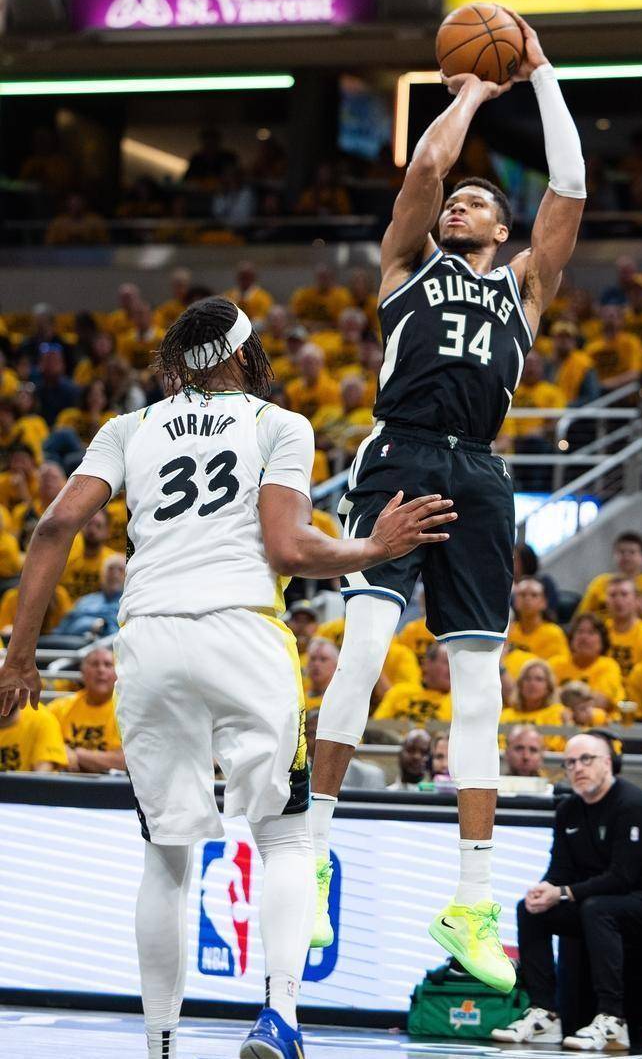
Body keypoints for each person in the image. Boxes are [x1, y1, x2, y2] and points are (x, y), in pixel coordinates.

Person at [0, 296, 454, 1059]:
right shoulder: (277, 424)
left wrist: (19, 655)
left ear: (178, 362)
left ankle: (161, 1045)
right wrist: (372, 548)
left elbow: (51, 528)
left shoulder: (126, 427)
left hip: (147, 638)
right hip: (243, 630)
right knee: (282, 836)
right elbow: (286, 547)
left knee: (164, 855)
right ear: (245, 356)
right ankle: (278, 1017)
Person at [308, 9, 587, 995]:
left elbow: (572, 187)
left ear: (504, 229)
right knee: (366, 653)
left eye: (480, 202)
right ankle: (310, 853)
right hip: (398, 453)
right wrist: (469, 88)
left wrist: (540, 71)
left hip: (477, 469)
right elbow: (424, 173)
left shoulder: (525, 286)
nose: (462, 205)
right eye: (458, 204)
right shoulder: (405, 265)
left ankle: (472, 900)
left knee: (478, 687)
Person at [494, 733, 642, 1049]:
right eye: (570, 762)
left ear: (607, 763)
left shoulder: (633, 804)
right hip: (607, 900)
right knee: (530, 910)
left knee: (597, 908)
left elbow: (622, 878)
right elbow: (560, 871)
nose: (578, 768)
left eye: (587, 759)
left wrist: (564, 892)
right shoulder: (569, 810)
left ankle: (613, 1019)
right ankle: (545, 1013)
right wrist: (545, 889)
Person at [47, 646, 125, 773]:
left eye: (108, 665)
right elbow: (41, 743)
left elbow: (124, 762)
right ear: (82, 673)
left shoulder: (125, 710)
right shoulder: (59, 707)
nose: (101, 670)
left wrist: (76, 754)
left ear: (118, 673)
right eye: (94, 664)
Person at [553, 613, 624, 714]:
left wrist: (562, 694)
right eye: (579, 632)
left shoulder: (609, 666)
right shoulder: (555, 664)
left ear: (602, 641)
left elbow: (602, 702)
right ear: (571, 638)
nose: (584, 637)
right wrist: (587, 696)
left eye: (591, 633)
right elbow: (541, 699)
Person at [372, 641, 453, 723]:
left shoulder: (458, 703)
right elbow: (376, 727)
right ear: (427, 663)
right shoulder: (399, 692)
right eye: (447, 662)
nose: (453, 669)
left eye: (455, 665)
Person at [577, 531, 642, 618]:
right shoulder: (600, 583)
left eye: (632, 552)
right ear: (614, 555)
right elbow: (582, 616)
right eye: (621, 552)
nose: (626, 556)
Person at [52, 553, 125, 637]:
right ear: (102, 574)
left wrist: (103, 627)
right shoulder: (85, 600)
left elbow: (120, 634)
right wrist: (94, 624)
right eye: (110, 569)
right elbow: (64, 628)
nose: (115, 574)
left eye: (120, 570)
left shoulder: (128, 604)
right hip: (71, 645)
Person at [584, 302, 642, 391]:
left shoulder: (631, 342)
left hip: (623, 392)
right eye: (606, 316)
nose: (610, 320)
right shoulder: (591, 346)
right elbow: (586, 374)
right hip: (597, 392)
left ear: (622, 320)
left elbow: (634, 373)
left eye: (613, 316)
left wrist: (606, 384)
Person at [603, 576, 642, 678]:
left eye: (624, 594)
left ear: (636, 600)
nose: (618, 600)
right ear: (606, 601)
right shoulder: (601, 630)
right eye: (613, 595)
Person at [508, 577, 570, 662]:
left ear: (544, 602)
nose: (527, 599)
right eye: (522, 595)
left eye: (534, 595)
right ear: (515, 601)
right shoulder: (509, 631)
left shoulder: (554, 634)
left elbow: (559, 666)